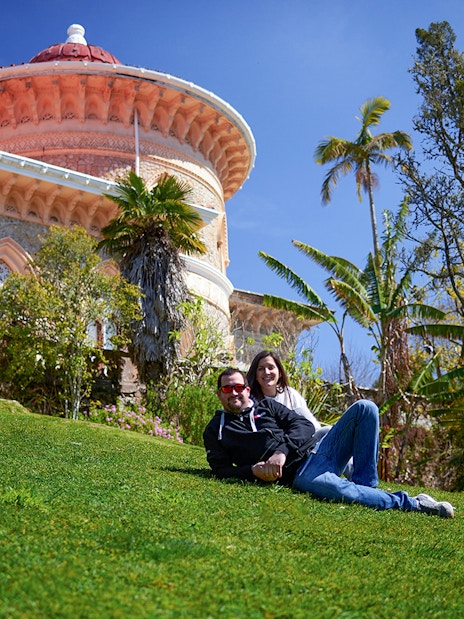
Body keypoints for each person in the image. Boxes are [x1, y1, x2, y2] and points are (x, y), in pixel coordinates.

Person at [203, 367, 455, 518]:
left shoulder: (267, 406)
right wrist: (253, 471)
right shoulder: (217, 430)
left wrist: (280, 451)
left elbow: (303, 425)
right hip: (301, 473)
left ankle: (366, 488)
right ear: (219, 394)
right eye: (227, 389)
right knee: (336, 490)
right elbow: (220, 469)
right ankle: (414, 503)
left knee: (365, 408)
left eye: (238, 387)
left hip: (320, 450)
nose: (234, 392)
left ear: (247, 389)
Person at [246, 350, 321, 429]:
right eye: (261, 369)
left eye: (271, 367)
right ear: (255, 375)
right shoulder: (249, 401)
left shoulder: (290, 394)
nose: (267, 372)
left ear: (280, 373)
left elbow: (312, 424)